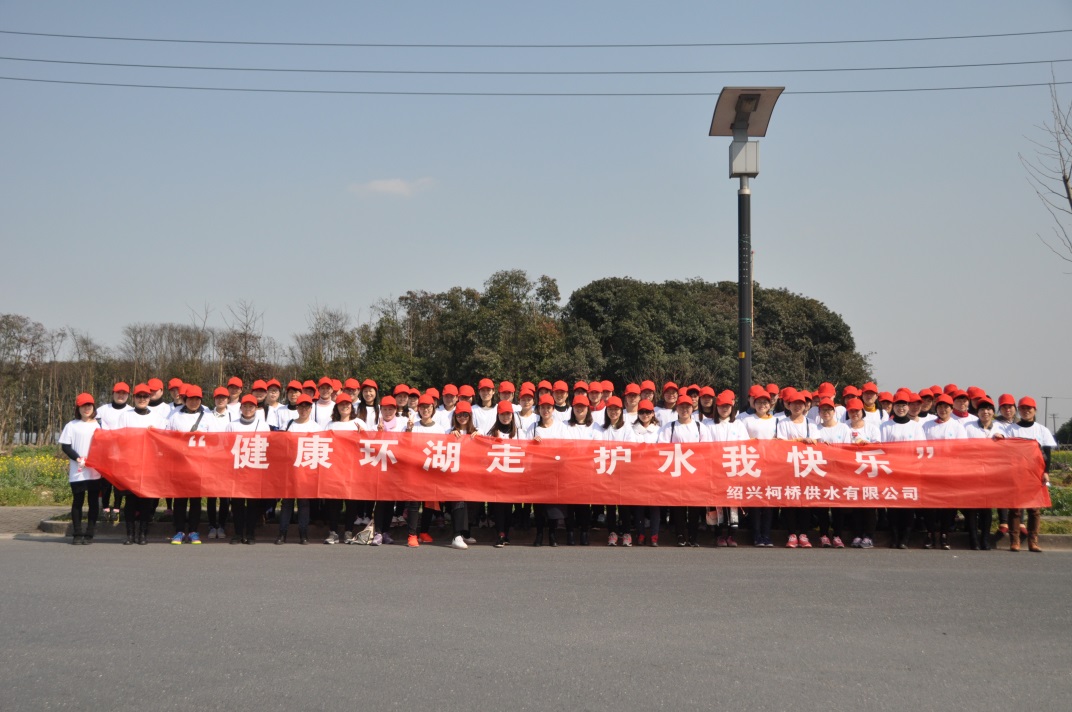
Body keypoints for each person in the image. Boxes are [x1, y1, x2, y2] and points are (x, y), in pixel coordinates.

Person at [118, 384, 169, 544]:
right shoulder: (125, 416)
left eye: (145, 396)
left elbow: (164, 440)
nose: (142, 399)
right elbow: (119, 438)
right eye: (139, 396)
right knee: (130, 501)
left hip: (150, 464)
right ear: (134, 398)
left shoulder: (157, 417)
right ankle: (130, 534)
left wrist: (156, 434)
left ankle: (143, 534)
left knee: (146, 500)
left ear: (149, 398)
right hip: (130, 464)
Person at [1004, 396, 1056, 552]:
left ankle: (1033, 541)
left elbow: (1047, 453)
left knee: (1034, 509)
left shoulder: (1042, 430)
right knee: (1015, 508)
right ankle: (1015, 541)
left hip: (1035, 473)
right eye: (1023, 408)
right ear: (1018, 410)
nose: (1026, 411)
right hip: (1016, 473)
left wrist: (1046, 472)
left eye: (1029, 408)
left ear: (1035, 410)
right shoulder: (1010, 429)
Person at [657, 394, 707, 547]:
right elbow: (662, 447)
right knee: (678, 505)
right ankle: (680, 534)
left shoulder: (700, 426)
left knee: (694, 505)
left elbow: (707, 448)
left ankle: (693, 535)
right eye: (681, 407)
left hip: (695, 472)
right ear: (676, 409)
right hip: (676, 471)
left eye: (687, 407)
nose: (685, 410)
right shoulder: (669, 427)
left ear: (692, 408)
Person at [880, 389, 926, 549]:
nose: (901, 408)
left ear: (908, 406)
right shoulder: (885, 426)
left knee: (908, 506)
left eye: (904, 405)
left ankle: (905, 538)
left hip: (910, 472)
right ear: (893, 406)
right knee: (893, 506)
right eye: (898, 405)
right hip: (891, 471)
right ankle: (894, 537)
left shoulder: (916, 427)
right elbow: (881, 449)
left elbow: (921, 449)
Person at [164, 385, 210, 545]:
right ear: (185, 399)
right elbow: (166, 436)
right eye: (191, 399)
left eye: (197, 399)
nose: (194, 402)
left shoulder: (208, 416)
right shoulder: (175, 416)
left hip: (199, 464)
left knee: (196, 499)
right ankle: (179, 531)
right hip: (180, 464)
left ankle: (193, 531)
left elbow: (216, 439)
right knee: (180, 499)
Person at [703, 390, 748, 547]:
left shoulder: (738, 425)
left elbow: (744, 446)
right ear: (717, 407)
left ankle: (731, 535)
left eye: (727, 406)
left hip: (733, 469)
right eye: (721, 406)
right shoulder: (708, 425)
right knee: (716, 504)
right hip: (714, 470)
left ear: (732, 407)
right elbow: (705, 447)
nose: (724, 409)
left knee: (732, 502)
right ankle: (718, 535)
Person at [922, 394, 968, 550]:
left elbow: (962, 449)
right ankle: (930, 533)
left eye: (946, 407)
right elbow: (920, 447)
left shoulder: (957, 426)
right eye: (940, 407)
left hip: (950, 471)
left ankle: (944, 534)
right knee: (930, 505)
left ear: (951, 408)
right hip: (930, 471)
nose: (943, 410)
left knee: (948, 505)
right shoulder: (927, 425)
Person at [59, 393, 102, 545]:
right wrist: (77, 458)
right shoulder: (71, 425)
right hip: (78, 471)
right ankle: (77, 533)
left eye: (89, 405)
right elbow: (65, 446)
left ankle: (89, 533)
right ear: (78, 408)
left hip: (94, 471)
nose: (86, 408)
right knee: (78, 501)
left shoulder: (99, 425)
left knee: (93, 502)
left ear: (93, 407)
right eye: (83, 406)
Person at [226, 395, 270, 544]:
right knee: (237, 503)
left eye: (251, 406)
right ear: (241, 408)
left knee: (253, 504)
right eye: (245, 406)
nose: (248, 409)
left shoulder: (263, 425)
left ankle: (250, 534)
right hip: (237, 469)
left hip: (255, 470)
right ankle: (238, 533)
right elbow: (226, 446)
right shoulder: (232, 425)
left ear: (256, 408)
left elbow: (267, 447)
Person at [276, 394, 319, 545]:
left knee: (304, 503)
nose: (303, 409)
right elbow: (279, 446)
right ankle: (282, 534)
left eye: (307, 406)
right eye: (301, 406)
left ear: (311, 408)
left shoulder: (316, 427)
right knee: (287, 502)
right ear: (297, 408)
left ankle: (303, 534)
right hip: (289, 470)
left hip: (306, 472)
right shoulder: (288, 425)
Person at [594, 396, 637, 546]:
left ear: (621, 411)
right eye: (610, 409)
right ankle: (612, 532)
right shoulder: (601, 428)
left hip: (622, 471)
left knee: (624, 504)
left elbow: (631, 448)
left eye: (616, 409)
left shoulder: (627, 428)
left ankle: (626, 533)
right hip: (606, 471)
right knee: (610, 504)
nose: (613, 412)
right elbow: (597, 446)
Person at [964, 395, 1005, 550]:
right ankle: (974, 540)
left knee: (987, 508)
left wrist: (1002, 440)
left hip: (991, 474)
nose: (985, 412)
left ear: (993, 412)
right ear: (977, 411)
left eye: (988, 409)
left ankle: (985, 539)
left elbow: (1007, 450)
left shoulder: (1000, 428)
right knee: (972, 508)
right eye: (982, 409)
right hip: (972, 472)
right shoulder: (968, 427)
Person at [487, 400, 530, 548]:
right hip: (497, 475)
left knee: (509, 506)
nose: (505, 417)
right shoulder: (491, 433)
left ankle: (507, 533)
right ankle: (500, 533)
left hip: (513, 475)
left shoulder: (519, 433)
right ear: (498, 415)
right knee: (499, 505)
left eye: (508, 414)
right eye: (502, 414)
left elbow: (526, 451)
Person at [744, 387, 778, 547]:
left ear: (770, 405)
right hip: (753, 465)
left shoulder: (776, 421)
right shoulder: (746, 420)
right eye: (759, 402)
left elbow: (781, 441)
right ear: (754, 404)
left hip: (771, 466)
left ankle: (766, 535)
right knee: (756, 501)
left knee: (768, 502)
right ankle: (756, 535)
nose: (762, 405)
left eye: (765, 402)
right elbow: (742, 441)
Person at [95, 381, 131, 521]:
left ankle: (116, 508)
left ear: (128, 395)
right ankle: (105, 508)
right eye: (118, 393)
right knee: (105, 483)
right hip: (106, 453)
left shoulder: (131, 411)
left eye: (124, 393)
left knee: (119, 483)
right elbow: (96, 428)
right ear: (113, 393)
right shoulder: (102, 410)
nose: (120, 395)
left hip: (123, 453)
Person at [632, 400, 662, 546]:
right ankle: (641, 534)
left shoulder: (659, 430)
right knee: (639, 506)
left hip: (654, 472)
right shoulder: (632, 429)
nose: (645, 415)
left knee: (654, 505)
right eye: (642, 412)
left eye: (648, 412)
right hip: (637, 472)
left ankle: (654, 535)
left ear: (653, 413)